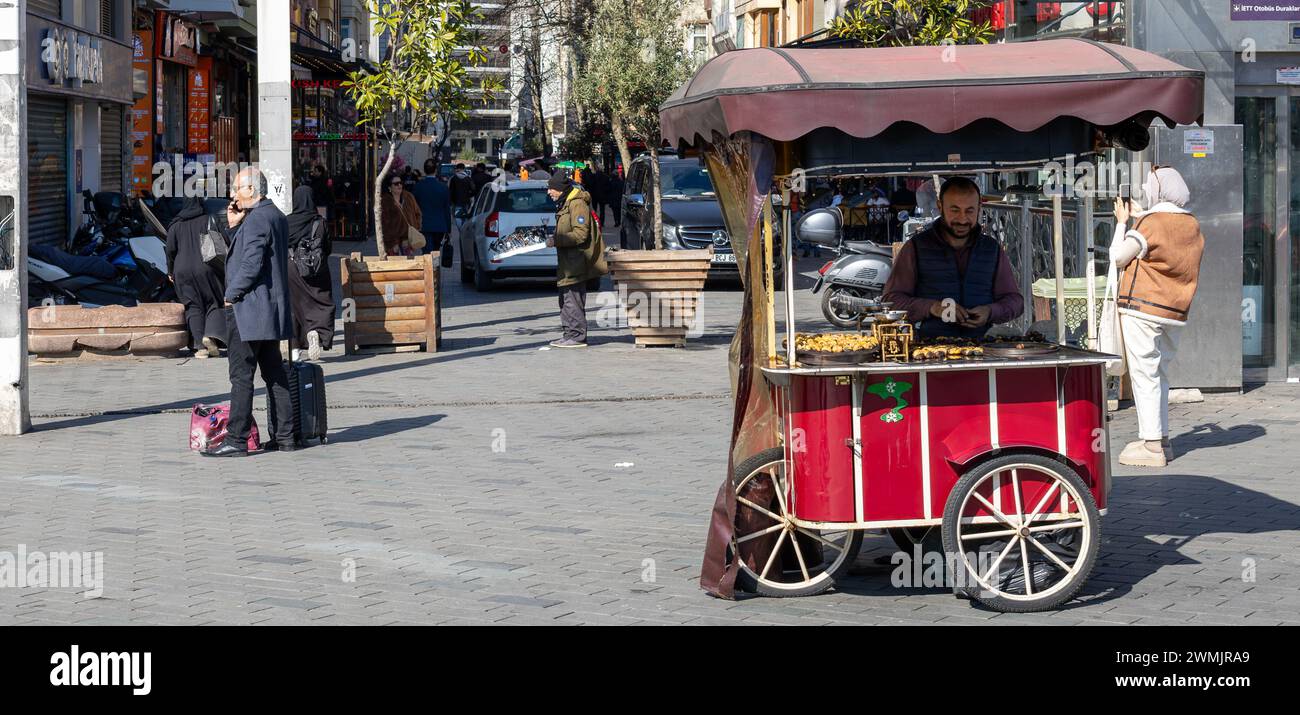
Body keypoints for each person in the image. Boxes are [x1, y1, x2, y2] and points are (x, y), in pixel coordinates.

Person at [1111, 166, 1205, 468]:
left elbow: (1118, 257)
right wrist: (1142, 219)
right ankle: (1161, 439)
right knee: (1160, 374)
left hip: (1143, 306)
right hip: (1175, 311)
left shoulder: (1150, 222)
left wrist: (1124, 223)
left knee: (1144, 375)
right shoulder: (1192, 223)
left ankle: (1151, 446)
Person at [204, 167, 296, 457]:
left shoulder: (257, 219)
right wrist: (234, 227)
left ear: (252, 191)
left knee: (241, 376)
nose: (232, 195)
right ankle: (285, 437)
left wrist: (232, 295)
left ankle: (237, 438)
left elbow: (251, 263)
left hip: (249, 310)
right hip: (269, 310)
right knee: (274, 374)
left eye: (237, 189)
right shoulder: (275, 216)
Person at [882, 176, 1023, 339]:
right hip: (929, 350)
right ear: (940, 207)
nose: (962, 219)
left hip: (984, 349)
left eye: (969, 210)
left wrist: (990, 311)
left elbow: (1015, 301)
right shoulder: (915, 248)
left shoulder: (992, 249)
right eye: (955, 210)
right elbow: (891, 301)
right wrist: (932, 308)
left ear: (979, 208)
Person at [545, 173, 607, 348]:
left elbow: (580, 234)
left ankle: (577, 336)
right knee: (565, 299)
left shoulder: (577, 204)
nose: (549, 192)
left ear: (561, 189)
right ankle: (569, 333)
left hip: (576, 262)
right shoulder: (566, 203)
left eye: (552, 188)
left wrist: (556, 240)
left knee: (572, 299)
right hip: (567, 262)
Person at [165, 195, 227, 359]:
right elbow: (223, 241)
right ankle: (211, 336)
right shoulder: (208, 219)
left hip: (182, 271)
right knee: (214, 301)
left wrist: (170, 271)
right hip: (207, 268)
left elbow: (170, 251)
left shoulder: (175, 225)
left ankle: (200, 347)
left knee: (192, 306)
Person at [286, 186, 335, 362]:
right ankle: (316, 332)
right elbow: (328, 247)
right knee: (322, 301)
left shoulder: (287, 221)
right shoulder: (319, 222)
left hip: (291, 269)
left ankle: (294, 350)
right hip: (316, 268)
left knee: (294, 307)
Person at [412, 158, 453, 258]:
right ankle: (434, 271)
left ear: (424, 170)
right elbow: (447, 209)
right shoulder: (443, 187)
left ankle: (430, 271)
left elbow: (413, 207)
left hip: (423, 225)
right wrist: (449, 229)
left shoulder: (418, 186)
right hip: (439, 225)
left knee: (426, 252)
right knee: (435, 251)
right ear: (436, 170)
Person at [380, 172, 423, 257]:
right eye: (396, 184)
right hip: (392, 240)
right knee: (394, 264)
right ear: (389, 187)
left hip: (407, 238)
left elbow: (418, 213)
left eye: (400, 183)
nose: (399, 185)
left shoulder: (408, 196)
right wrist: (392, 242)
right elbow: (384, 223)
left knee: (409, 263)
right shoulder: (385, 201)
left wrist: (416, 228)